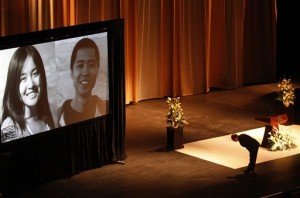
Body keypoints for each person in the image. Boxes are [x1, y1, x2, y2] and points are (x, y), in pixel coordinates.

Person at [1, 46, 55, 143]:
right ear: (14, 86)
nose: (31, 84)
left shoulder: (47, 116)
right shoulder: (9, 126)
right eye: (23, 78)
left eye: (35, 73)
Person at [58, 38, 108, 126]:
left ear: (97, 70)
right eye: (80, 65)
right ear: (71, 72)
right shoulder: (56, 117)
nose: (85, 72)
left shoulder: (108, 108)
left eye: (91, 65)